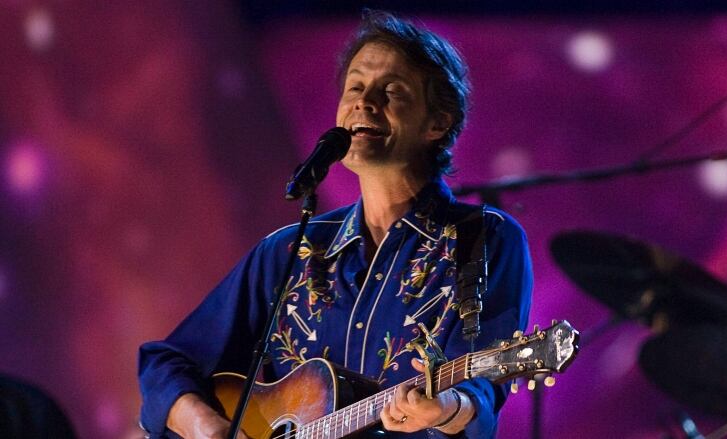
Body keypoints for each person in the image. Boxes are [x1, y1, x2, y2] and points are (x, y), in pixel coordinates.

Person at [138, 10, 532, 439]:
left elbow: (480, 389)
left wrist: (445, 409)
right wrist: (209, 428)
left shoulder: (484, 239)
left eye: (392, 90)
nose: (365, 101)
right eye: (356, 87)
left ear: (438, 122)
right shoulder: (290, 251)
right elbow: (166, 363)